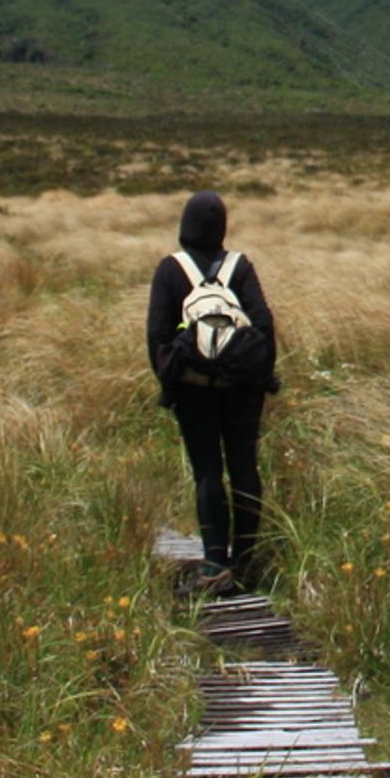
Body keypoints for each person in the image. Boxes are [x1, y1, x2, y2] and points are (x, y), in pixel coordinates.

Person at [147, 189, 280, 593]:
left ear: (184, 226)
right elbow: (264, 328)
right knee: (244, 466)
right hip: (243, 388)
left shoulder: (171, 270)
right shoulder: (240, 267)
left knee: (207, 470)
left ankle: (213, 563)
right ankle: (246, 560)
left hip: (193, 390)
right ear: (222, 227)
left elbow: (157, 338)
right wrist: (259, 377)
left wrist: (172, 384)